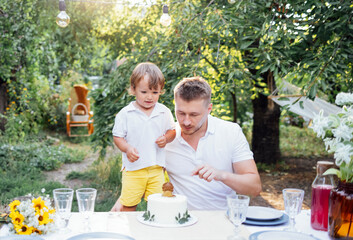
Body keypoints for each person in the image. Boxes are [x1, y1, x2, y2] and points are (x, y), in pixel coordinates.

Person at [165, 76, 262, 210]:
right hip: (179, 220)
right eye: (181, 113)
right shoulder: (166, 138)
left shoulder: (231, 132)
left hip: (223, 220)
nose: (186, 121)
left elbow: (254, 188)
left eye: (194, 115)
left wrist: (221, 175)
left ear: (209, 109)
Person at [110, 62, 176, 211]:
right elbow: (117, 137)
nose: (149, 97)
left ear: (160, 91)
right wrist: (127, 149)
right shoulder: (125, 114)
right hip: (133, 169)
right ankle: (131, 229)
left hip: (156, 168)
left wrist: (166, 138)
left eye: (155, 92)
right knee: (128, 204)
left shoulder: (163, 111)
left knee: (158, 205)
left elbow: (172, 131)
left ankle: (153, 231)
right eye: (144, 92)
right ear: (133, 89)